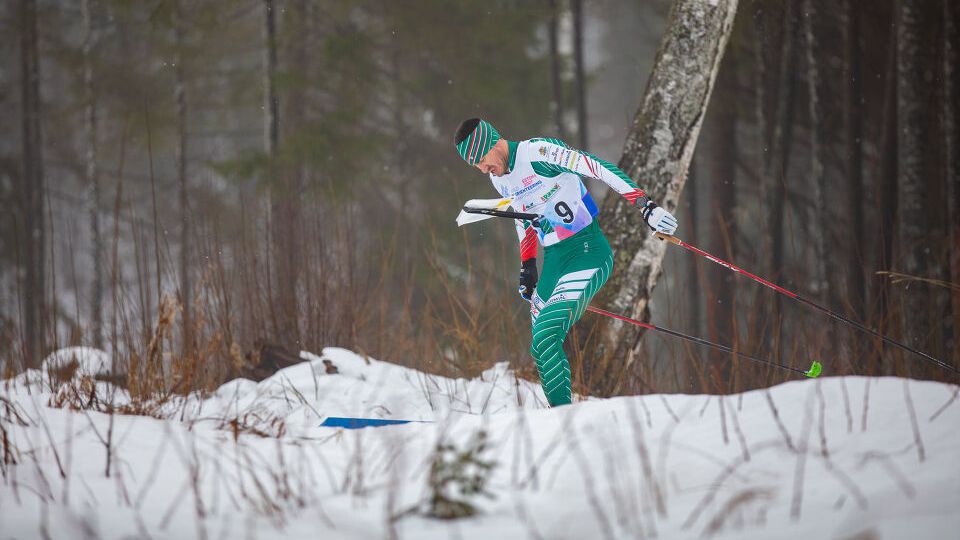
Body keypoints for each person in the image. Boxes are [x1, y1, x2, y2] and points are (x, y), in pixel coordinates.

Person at [454, 118, 678, 406]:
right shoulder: (499, 179)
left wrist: (644, 205)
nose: (482, 169)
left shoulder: (538, 153)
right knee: (541, 347)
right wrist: (528, 266)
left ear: (491, 143)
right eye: (475, 166)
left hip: (587, 253)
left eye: (481, 160)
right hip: (554, 263)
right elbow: (523, 217)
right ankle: (559, 415)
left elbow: (596, 167)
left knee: (546, 335)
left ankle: (562, 419)